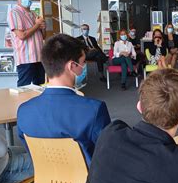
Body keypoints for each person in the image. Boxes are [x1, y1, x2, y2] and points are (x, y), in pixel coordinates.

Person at [17, 34, 111, 167]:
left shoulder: (24, 111)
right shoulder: (94, 110)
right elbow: (106, 153)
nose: (84, 68)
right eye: (83, 63)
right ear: (72, 66)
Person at [7, 0, 46, 87]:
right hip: (26, 58)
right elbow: (21, 36)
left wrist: (43, 28)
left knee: (39, 86)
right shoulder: (14, 13)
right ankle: (23, 103)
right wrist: (37, 25)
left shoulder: (33, 14)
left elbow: (43, 37)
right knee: (25, 88)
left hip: (38, 57)